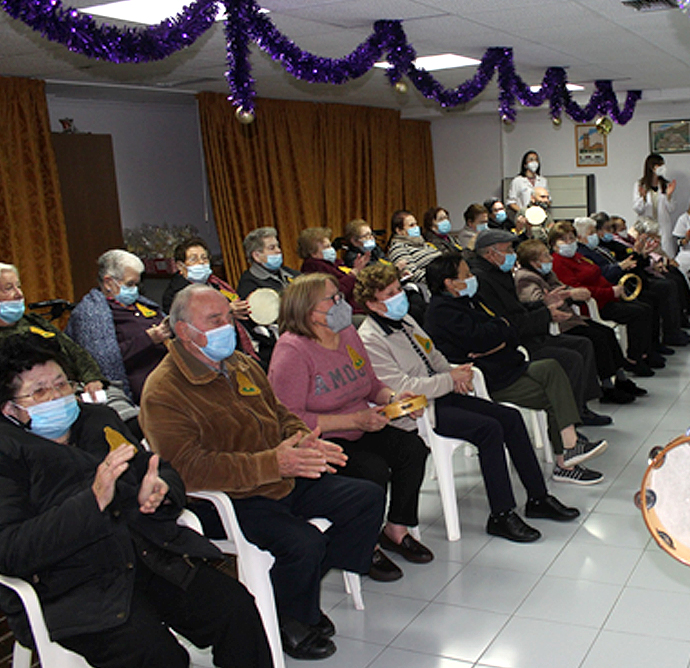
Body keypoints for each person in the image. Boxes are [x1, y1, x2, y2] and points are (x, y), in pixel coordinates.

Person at [140, 284, 385, 661]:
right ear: (185, 331)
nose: (228, 325)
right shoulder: (164, 390)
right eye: (215, 319)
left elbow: (281, 413)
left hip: (279, 476)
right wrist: (274, 462)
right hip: (229, 498)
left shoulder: (239, 363)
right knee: (303, 543)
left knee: (365, 497)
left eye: (228, 315)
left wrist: (304, 440)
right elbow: (188, 468)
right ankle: (289, 616)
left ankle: (295, 592)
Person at [0, 334, 272, 668]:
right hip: (73, 586)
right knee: (159, 656)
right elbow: (10, 550)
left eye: (62, 384)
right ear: (10, 408)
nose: (57, 396)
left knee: (235, 609)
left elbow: (161, 471)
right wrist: (92, 502)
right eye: (40, 391)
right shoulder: (7, 453)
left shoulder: (97, 420)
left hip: (146, 555)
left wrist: (159, 493)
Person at [354, 263, 581, 542]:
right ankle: (501, 514)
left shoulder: (406, 322)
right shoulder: (370, 339)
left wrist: (454, 372)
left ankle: (538, 497)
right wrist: (450, 380)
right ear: (372, 305)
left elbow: (433, 355)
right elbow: (405, 388)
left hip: (441, 398)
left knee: (510, 418)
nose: (399, 296)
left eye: (398, 289)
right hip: (417, 413)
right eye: (389, 293)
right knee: (489, 429)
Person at [267, 273, 432, 577]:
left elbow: (370, 383)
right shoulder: (292, 352)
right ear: (308, 311)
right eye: (332, 299)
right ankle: (365, 546)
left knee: (413, 450)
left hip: (362, 425)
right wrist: (354, 420)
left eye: (339, 297)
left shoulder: (346, 333)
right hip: (322, 438)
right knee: (372, 471)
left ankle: (395, 528)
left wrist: (395, 398)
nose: (340, 304)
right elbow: (289, 419)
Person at [424, 253, 605, 485]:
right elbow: (483, 339)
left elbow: (506, 329)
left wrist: (499, 334)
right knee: (554, 396)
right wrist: (498, 334)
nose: (471, 278)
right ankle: (566, 459)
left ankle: (569, 446)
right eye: (466, 274)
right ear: (449, 282)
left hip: (509, 363)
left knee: (552, 367)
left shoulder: (469, 300)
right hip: (489, 377)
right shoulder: (442, 312)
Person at [469, 227, 614, 424]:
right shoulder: (483, 280)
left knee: (583, 344)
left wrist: (544, 304)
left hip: (528, 332)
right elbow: (507, 321)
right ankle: (568, 420)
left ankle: (580, 408)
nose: (512, 254)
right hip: (517, 343)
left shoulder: (498, 274)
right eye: (508, 250)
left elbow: (518, 309)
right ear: (490, 253)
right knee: (570, 358)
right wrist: (546, 314)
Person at [0, 262, 142, 431]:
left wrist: (92, 378)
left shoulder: (34, 322)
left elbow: (76, 352)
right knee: (105, 421)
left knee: (127, 410)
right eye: (8, 288)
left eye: (19, 286)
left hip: (77, 386)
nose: (19, 294)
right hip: (43, 401)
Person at [515, 239, 646, 402]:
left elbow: (562, 288)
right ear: (534, 262)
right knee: (596, 338)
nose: (550, 259)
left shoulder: (547, 273)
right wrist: (569, 296)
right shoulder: (526, 278)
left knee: (606, 332)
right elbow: (536, 301)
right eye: (545, 256)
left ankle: (620, 378)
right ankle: (607, 387)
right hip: (557, 323)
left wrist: (574, 292)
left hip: (570, 317)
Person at [548, 222, 660, 376]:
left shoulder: (579, 257)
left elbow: (598, 275)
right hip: (592, 304)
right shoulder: (558, 263)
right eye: (563, 240)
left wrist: (615, 290)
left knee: (645, 306)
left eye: (571, 238)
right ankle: (634, 358)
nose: (569, 243)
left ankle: (644, 353)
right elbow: (578, 289)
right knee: (639, 313)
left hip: (606, 296)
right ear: (554, 244)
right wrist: (609, 292)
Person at [65, 249, 169, 404]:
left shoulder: (142, 304)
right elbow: (101, 363)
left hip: (169, 374)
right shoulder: (91, 313)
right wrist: (148, 339)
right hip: (143, 389)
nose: (135, 289)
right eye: (130, 284)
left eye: (136, 284)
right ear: (108, 282)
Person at [576, 215, 690, 348]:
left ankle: (659, 340)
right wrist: (625, 263)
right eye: (593, 233)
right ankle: (645, 350)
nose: (597, 235)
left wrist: (640, 255)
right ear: (580, 237)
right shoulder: (585, 253)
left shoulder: (600, 248)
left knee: (666, 285)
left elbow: (629, 261)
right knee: (651, 299)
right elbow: (605, 272)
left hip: (628, 280)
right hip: (616, 287)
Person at [160, 237, 260, 360]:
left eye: (204, 258)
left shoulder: (216, 284)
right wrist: (227, 312)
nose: (201, 263)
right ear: (180, 266)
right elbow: (191, 325)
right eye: (194, 259)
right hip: (206, 353)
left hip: (239, 345)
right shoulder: (175, 294)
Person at [235, 227, 301, 368]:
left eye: (277, 246)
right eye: (272, 248)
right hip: (281, 340)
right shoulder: (249, 284)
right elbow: (260, 323)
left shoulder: (288, 272)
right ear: (257, 256)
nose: (278, 251)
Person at [297, 226, 365, 310]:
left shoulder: (335, 262)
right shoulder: (313, 267)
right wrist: (353, 274)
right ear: (313, 253)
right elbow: (336, 293)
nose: (332, 249)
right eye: (327, 247)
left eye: (330, 245)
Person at [632, 153, 678, 258]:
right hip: (647, 228)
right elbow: (637, 209)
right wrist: (643, 198)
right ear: (652, 167)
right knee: (649, 257)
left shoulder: (666, 185)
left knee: (667, 257)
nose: (663, 168)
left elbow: (671, 209)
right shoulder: (640, 185)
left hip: (663, 227)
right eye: (660, 165)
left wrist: (669, 196)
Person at [387, 210, 442, 285]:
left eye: (416, 224)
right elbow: (414, 275)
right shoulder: (398, 248)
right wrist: (442, 282)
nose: (416, 227)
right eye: (411, 225)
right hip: (434, 286)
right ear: (399, 231)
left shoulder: (423, 243)